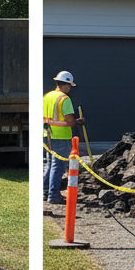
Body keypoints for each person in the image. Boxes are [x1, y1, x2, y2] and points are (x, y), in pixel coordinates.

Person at [43, 71, 84, 205]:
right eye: (69, 86)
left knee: (50, 165)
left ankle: (45, 191)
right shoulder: (64, 99)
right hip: (60, 136)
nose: (70, 88)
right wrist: (77, 121)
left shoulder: (47, 96)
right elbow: (69, 120)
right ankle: (53, 195)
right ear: (66, 85)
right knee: (58, 166)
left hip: (47, 135)